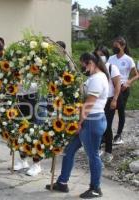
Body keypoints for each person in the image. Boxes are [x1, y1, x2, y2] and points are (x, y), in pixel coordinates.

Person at [46, 52, 109, 199]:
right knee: (69, 150)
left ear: (91, 63)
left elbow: (89, 103)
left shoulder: (98, 79)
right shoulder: (94, 77)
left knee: (93, 155)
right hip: (89, 120)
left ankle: (95, 188)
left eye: (84, 64)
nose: (83, 68)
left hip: (91, 121)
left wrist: (79, 123)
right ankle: (62, 182)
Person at [108, 36, 138, 145]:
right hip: (112, 88)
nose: (114, 48)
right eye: (113, 46)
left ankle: (118, 135)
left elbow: (136, 75)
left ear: (123, 46)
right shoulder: (111, 58)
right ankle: (107, 136)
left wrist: (128, 82)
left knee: (120, 111)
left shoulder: (128, 59)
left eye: (117, 46)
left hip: (123, 89)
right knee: (109, 110)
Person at [95, 46, 121, 163]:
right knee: (97, 126)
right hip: (98, 101)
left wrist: (115, 99)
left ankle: (108, 151)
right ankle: (98, 148)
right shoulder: (95, 68)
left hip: (109, 100)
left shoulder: (112, 67)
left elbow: (117, 85)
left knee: (107, 126)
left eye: (102, 55)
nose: (100, 57)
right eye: (97, 55)